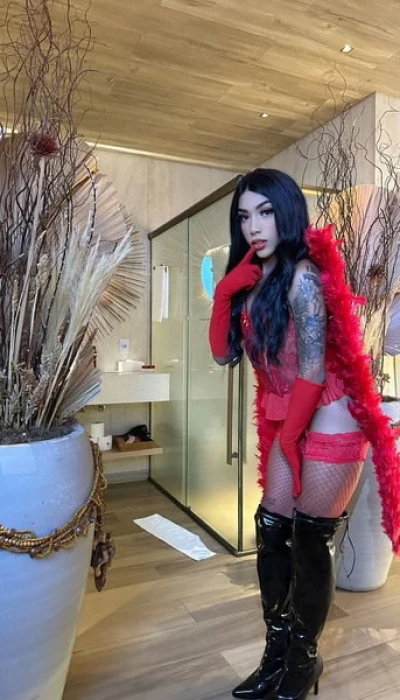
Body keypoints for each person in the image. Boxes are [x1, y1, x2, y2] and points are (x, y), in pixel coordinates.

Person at [208, 168, 400, 700]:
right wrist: (223, 293)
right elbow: (223, 355)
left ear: (288, 212)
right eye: (244, 216)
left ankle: (303, 661)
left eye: (266, 212)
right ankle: (276, 656)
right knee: (271, 528)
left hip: (329, 411)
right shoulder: (250, 280)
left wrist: (290, 440)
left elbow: (313, 369)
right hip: (287, 413)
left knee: (310, 537)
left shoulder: (304, 277)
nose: (254, 226)